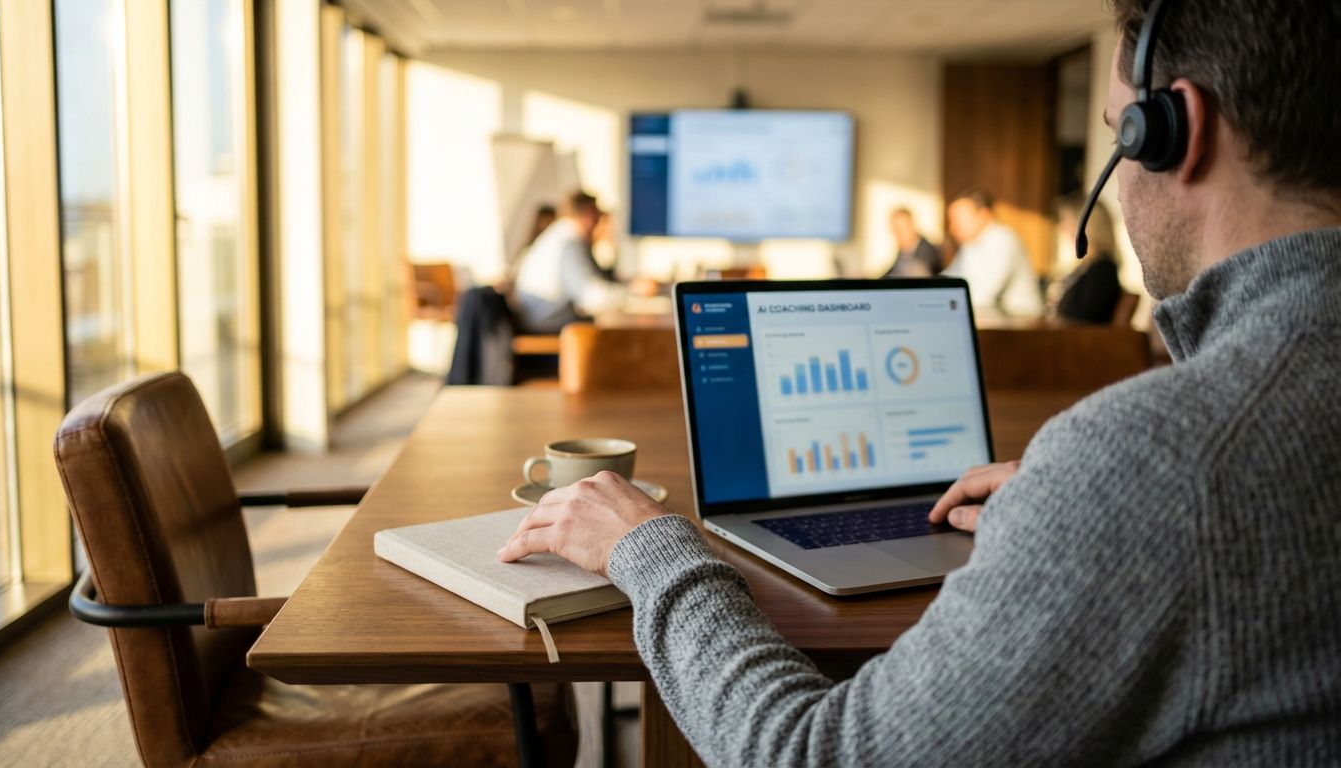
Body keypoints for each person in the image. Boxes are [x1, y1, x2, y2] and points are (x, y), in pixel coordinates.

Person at [497, 0, 1341, 763]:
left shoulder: (1159, 464)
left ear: (1178, 131)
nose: (1114, 185)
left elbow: (808, 754)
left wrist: (649, 549)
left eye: (1118, 135)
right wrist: (1074, 505)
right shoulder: (1179, 460)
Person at [511, 191, 632, 333]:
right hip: (546, 328)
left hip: (543, 320)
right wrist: (632, 293)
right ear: (587, 215)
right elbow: (592, 299)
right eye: (597, 216)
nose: (598, 223)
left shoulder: (559, 236)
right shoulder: (568, 242)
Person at [942, 187, 1045, 316]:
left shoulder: (1004, 241)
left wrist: (943, 301)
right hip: (993, 316)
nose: (953, 227)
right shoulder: (970, 243)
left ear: (983, 215)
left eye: (958, 220)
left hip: (1021, 319)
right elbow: (951, 278)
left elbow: (984, 295)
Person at [1051, 195, 1123, 323]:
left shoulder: (1103, 270)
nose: (1061, 227)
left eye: (1066, 220)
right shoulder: (1086, 267)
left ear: (1087, 225)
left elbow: (1085, 317)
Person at [881, 208, 942, 277]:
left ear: (912, 226)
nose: (898, 234)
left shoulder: (926, 253)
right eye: (895, 229)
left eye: (901, 228)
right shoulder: (903, 253)